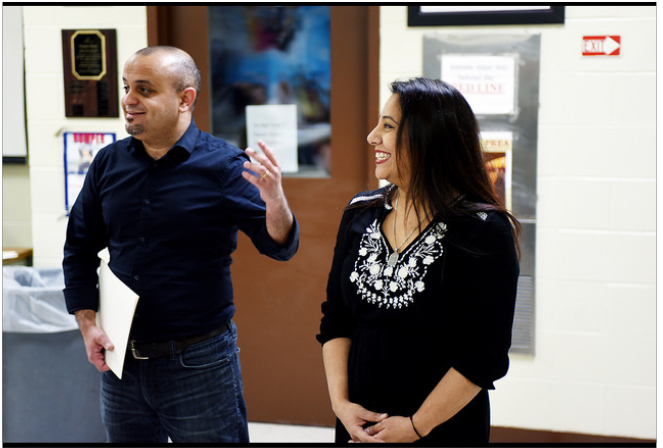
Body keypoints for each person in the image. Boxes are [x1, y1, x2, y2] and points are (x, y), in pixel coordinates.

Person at [63, 46, 299, 443]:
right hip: (122, 362)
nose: (128, 100)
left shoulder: (224, 166)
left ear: (185, 98)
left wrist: (276, 203)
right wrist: (87, 325)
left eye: (144, 89)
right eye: (126, 87)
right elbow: (79, 248)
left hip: (199, 364)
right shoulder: (107, 162)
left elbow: (279, 245)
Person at [317, 77, 520, 444]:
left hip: (440, 428)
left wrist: (415, 426)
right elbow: (336, 319)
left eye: (388, 126)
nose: (372, 136)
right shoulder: (360, 212)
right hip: (358, 425)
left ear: (428, 137)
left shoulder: (484, 230)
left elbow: (485, 355)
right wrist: (341, 405)